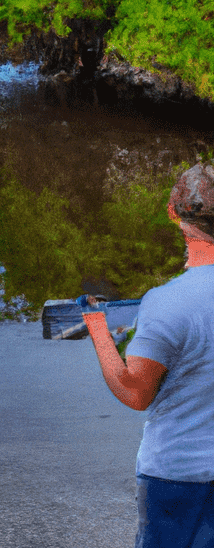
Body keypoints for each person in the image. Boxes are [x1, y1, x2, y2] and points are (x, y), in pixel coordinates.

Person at [80, 163, 214, 548]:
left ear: (174, 213)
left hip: (176, 476)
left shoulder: (165, 302)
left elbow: (135, 392)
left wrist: (97, 328)